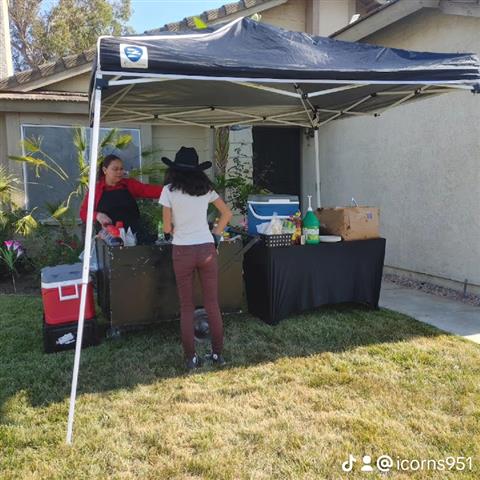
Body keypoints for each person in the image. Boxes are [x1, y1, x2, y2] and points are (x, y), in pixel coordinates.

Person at [159, 146, 232, 370]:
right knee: (212, 304)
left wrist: (172, 228)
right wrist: (216, 235)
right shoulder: (206, 188)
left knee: (187, 307)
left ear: (175, 169)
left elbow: (168, 228)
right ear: (197, 169)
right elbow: (227, 213)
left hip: (182, 250)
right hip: (206, 248)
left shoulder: (169, 191)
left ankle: (191, 358)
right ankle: (218, 355)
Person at [79, 154, 162, 242]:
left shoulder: (129, 184)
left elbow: (149, 190)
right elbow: (83, 213)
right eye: (115, 169)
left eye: (121, 169)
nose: (119, 172)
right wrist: (98, 216)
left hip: (134, 236)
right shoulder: (96, 190)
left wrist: (171, 190)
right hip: (110, 238)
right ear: (105, 170)